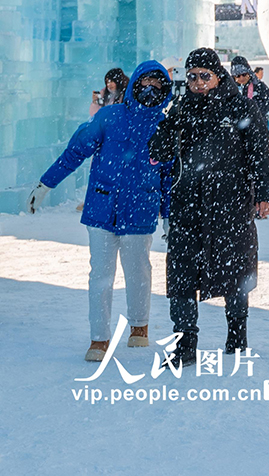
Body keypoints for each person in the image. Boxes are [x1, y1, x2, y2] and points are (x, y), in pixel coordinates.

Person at [29, 62, 173, 361]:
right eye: (145, 82)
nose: (150, 89)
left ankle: (139, 327)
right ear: (134, 84)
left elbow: (169, 175)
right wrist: (47, 183)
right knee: (100, 276)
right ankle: (99, 339)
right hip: (102, 208)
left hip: (140, 209)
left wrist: (169, 214)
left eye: (157, 84)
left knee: (138, 272)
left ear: (165, 90)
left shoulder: (164, 125)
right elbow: (76, 150)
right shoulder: (109, 117)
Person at [148, 48, 269, 366]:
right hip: (187, 205)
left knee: (235, 272)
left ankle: (237, 335)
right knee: (181, 275)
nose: (198, 82)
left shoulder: (240, 107)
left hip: (229, 204)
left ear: (218, 75)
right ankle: (184, 344)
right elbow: (159, 151)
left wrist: (265, 193)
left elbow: (260, 153)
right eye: (192, 76)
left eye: (204, 76)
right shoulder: (182, 109)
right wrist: (168, 124)